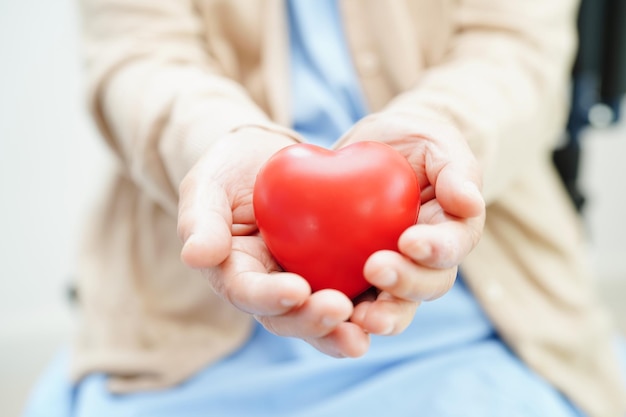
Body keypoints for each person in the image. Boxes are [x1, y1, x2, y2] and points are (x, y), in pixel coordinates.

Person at [23, 0, 626, 416]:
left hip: (476, 296)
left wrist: (446, 132)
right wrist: (218, 143)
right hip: (190, 308)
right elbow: (135, 56)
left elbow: (519, 53)